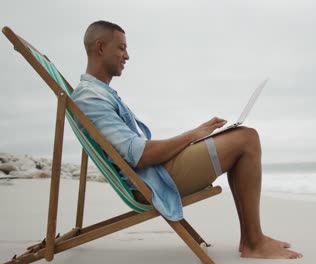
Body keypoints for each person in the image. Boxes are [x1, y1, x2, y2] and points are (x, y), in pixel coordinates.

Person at [72, 20, 302, 259]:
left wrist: (195, 135)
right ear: (100, 48)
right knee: (246, 139)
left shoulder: (98, 94)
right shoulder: (91, 97)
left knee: (240, 136)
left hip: (153, 171)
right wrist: (193, 135)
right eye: (121, 47)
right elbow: (138, 154)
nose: (127, 55)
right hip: (150, 180)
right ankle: (254, 242)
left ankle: (252, 238)